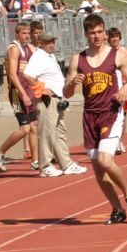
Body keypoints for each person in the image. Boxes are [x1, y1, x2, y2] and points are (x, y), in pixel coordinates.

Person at [63, 14, 127, 225]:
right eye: (92, 33)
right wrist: (72, 84)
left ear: (105, 32)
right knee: (97, 168)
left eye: (100, 32)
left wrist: (125, 87)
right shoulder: (78, 59)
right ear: (86, 34)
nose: (97, 37)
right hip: (90, 116)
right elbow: (67, 92)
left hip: (111, 112)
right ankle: (116, 209)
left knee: (106, 161)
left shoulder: (118, 56)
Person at [23, 32, 87, 177]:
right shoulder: (39, 57)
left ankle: (66, 164)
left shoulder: (49, 56)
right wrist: (42, 89)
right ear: (41, 43)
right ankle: (45, 166)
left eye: (52, 41)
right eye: (47, 42)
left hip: (57, 99)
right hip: (47, 100)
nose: (51, 44)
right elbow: (27, 75)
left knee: (59, 133)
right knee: (47, 133)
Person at [0, 23, 40, 173]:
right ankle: (0, 151)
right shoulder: (14, 49)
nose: (27, 36)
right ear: (17, 35)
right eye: (24, 33)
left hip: (28, 91)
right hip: (16, 94)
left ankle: (36, 160)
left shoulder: (27, 49)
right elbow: (13, 75)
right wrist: (24, 94)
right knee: (25, 128)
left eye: (28, 33)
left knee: (34, 126)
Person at [107, 27, 127, 155]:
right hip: (111, 89)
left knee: (123, 116)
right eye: (112, 37)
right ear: (108, 39)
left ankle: (120, 141)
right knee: (111, 115)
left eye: (116, 36)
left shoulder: (125, 51)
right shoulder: (105, 53)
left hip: (123, 88)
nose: (115, 39)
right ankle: (112, 141)